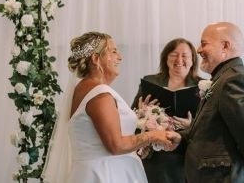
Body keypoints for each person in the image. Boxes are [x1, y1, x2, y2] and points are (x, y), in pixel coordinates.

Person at [42, 31, 172, 183]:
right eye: (113, 51)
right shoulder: (99, 95)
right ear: (96, 59)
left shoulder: (84, 89)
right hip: (105, 174)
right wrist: (153, 135)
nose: (120, 57)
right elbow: (116, 145)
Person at [167, 22, 244, 183]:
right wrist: (181, 138)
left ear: (225, 46)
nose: (198, 50)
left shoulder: (234, 80)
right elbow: (212, 132)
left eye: (204, 44)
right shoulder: (223, 78)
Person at [131, 38, 203, 183]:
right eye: (174, 54)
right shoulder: (150, 81)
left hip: (185, 155)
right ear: (166, 58)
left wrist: (191, 125)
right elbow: (132, 119)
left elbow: (210, 124)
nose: (179, 59)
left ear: (193, 60)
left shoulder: (203, 86)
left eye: (185, 55)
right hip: (155, 156)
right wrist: (142, 112)